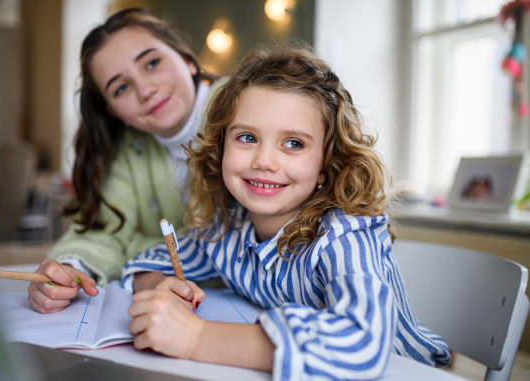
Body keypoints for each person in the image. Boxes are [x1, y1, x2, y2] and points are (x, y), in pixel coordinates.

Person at [121, 47, 452, 380]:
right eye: (247, 137)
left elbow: (361, 343)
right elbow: (147, 262)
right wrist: (160, 285)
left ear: (326, 163)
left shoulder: (345, 236)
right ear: (220, 148)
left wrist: (196, 338)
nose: (264, 161)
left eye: (293, 143)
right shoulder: (227, 228)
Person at [27, 8, 221, 314]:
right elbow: (105, 231)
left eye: (152, 63)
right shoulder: (131, 148)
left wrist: (137, 253)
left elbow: (220, 239)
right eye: (121, 88)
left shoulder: (243, 109)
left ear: (187, 59)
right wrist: (67, 267)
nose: (145, 90)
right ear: (113, 112)